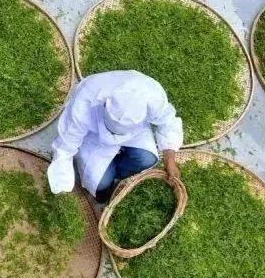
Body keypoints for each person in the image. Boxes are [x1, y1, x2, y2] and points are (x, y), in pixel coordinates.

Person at [47, 70, 182, 204]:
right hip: (94, 134)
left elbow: (168, 123)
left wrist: (170, 161)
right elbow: (66, 146)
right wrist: (62, 186)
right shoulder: (86, 100)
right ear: (105, 104)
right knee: (100, 185)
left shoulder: (152, 95)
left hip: (135, 132)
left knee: (147, 159)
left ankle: (116, 172)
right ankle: (107, 175)